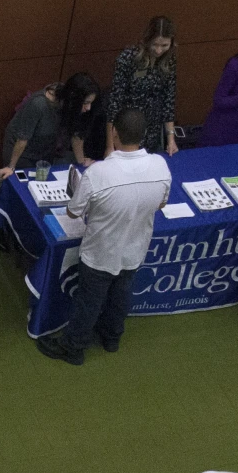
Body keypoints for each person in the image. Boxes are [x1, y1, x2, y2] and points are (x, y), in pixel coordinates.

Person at [38, 108, 171, 367]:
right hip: (134, 248)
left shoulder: (99, 173)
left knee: (89, 301)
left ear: (114, 132)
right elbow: (161, 205)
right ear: (143, 135)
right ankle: (111, 338)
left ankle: (73, 347)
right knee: (121, 295)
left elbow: (73, 212)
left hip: (101, 251)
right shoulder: (160, 165)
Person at [107, 16, 179, 156]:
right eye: (155, 44)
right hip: (127, 130)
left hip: (153, 129)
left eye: (164, 45)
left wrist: (171, 139)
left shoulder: (169, 60)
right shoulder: (128, 58)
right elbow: (114, 104)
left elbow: (169, 101)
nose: (158, 50)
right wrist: (110, 146)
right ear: (147, 40)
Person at [0, 75, 93, 181]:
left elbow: (76, 136)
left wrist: (82, 166)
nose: (88, 108)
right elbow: (22, 139)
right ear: (73, 97)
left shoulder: (73, 106)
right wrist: (11, 167)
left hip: (45, 150)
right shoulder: (39, 104)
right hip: (21, 151)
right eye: (85, 103)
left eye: (90, 103)